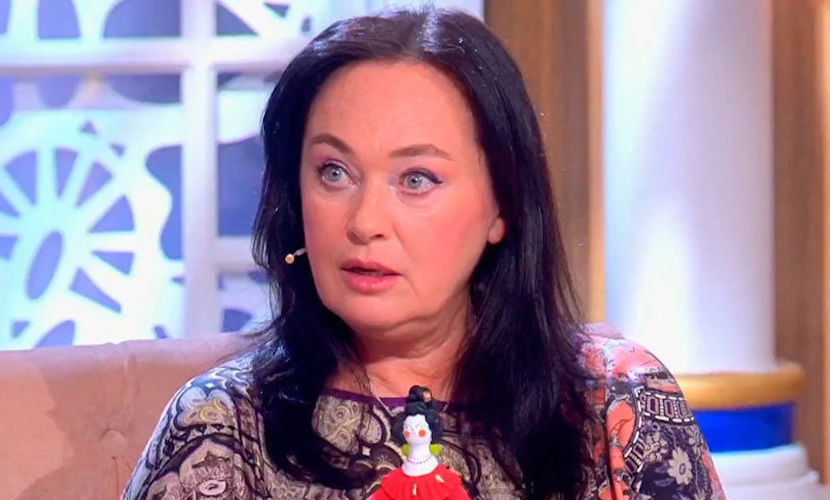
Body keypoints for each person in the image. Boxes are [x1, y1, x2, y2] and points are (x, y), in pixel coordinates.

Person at [122, 7, 726, 500]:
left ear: (502, 206)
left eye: (416, 179)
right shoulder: (221, 428)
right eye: (333, 172)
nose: (364, 222)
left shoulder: (617, 403)